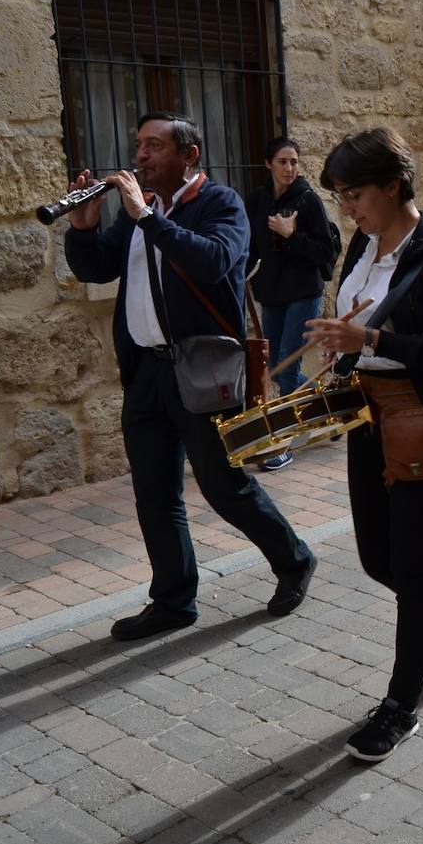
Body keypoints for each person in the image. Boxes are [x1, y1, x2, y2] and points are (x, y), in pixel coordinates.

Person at [64, 112, 318, 641]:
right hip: (147, 372)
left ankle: (293, 560)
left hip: (201, 371)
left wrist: (146, 219)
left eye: (154, 147)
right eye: (139, 146)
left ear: (189, 155)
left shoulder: (219, 205)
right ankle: (174, 600)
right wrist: (84, 229)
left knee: (224, 487)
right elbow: (96, 268)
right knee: (154, 491)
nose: (140, 157)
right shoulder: (143, 213)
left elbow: (215, 261)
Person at [306, 127, 423, 763]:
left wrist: (374, 343)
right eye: (339, 197)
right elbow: (360, 320)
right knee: (378, 561)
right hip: (370, 416)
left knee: (413, 572)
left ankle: (400, 706)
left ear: (393, 185)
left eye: (354, 194)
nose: (347, 209)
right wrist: (341, 353)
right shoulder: (365, 241)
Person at [245, 136, 340, 472]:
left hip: (303, 293)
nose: (289, 168)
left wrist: (291, 235)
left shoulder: (308, 201)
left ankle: (282, 442)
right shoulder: (256, 201)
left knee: (285, 365)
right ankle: (327, 406)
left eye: (294, 162)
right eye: (283, 161)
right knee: (277, 368)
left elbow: (325, 252)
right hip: (271, 295)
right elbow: (249, 246)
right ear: (268, 163)